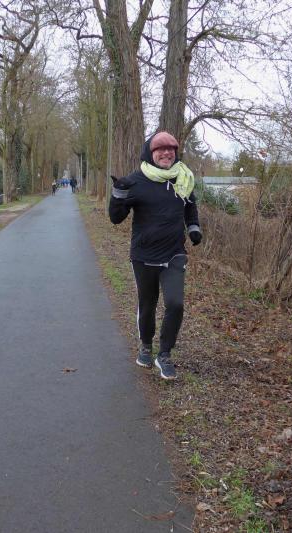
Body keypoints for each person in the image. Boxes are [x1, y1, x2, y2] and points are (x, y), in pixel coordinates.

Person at [108, 131, 202, 380]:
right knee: (147, 305)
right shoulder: (136, 180)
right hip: (144, 255)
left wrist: (194, 227)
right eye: (161, 149)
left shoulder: (183, 178)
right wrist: (118, 194)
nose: (167, 153)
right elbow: (116, 218)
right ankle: (146, 346)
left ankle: (165, 354)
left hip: (174, 254)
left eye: (171, 149)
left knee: (175, 304)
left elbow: (190, 205)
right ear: (150, 154)